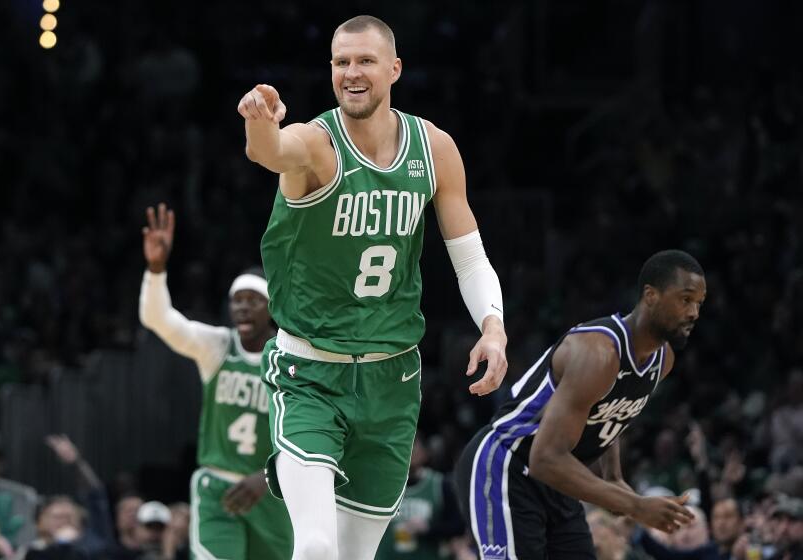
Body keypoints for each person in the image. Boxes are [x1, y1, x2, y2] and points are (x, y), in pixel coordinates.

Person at [237, 14, 508, 560]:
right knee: (315, 546)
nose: (351, 73)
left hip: (392, 380)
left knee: (354, 556)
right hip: (309, 375)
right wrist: (259, 121)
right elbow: (269, 152)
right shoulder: (317, 144)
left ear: (394, 69)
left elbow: (469, 254)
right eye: (341, 62)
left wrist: (493, 326)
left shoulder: (434, 149)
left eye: (364, 61)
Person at [454, 249, 706, 559]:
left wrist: (613, 477)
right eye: (685, 299)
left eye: (698, 304)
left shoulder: (662, 359)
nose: (694, 312)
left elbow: (609, 413)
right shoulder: (598, 353)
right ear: (651, 296)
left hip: (558, 479)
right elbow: (544, 458)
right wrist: (633, 504)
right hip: (507, 462)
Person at [138, 204, 292, 560]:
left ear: (271, 308)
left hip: (272, 488)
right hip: (218, 489)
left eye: (252, 301)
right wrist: (157, 269)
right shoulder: (218, 347)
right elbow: (159, 320)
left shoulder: (288, 359)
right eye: (236, 301)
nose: (241, 308)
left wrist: (268, 476)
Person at [376, 432, 467, 559]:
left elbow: (459, 526)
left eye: (413, 446)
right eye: (403, 447)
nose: (409, 452)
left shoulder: (440, 484)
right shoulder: (383, 485)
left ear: (425, 453)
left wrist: (428, 529)